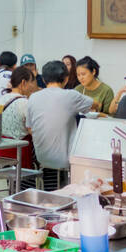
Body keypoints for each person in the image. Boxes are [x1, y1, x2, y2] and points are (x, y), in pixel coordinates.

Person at [26, 60, 93, 190]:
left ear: (44, 80)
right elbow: (92, 104)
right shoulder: (71, 95)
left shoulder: (33, 98)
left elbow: (29, 128)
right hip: (66, 161)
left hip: (41, 158)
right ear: (66, 79)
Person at [0, 65, 37, 140]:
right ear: (23, 82)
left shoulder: (1, 99)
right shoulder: (25, 103)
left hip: (2, 148)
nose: (32, 86)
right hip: (20, 149)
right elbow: (33, 131)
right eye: (31, 82)